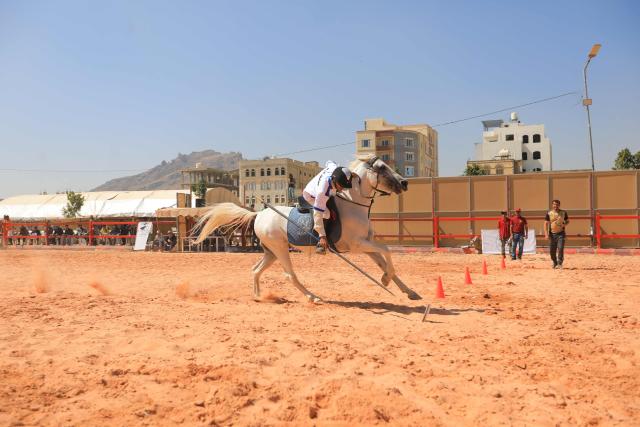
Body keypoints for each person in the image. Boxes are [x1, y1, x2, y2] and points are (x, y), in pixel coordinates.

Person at [302, 160, 353, 254]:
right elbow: (317, 214)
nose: (342, 189)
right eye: (341, 186)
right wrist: (322, 236)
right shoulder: (322, 192)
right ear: (334, 180)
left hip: (324, 190)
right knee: (327, 213)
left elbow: (329, 162)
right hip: (311, 196)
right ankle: (320, 243)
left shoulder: (334, 168)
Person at [545, 199, 569, 269]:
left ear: (559, 205)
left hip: (561, 233)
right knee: (552, 250)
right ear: (552, 205)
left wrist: (565, 224)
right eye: (554, 204)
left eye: (557, 204)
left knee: (560, 248)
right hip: (552, 234)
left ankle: (560, 263)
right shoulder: (549, 213)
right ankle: (554, 262)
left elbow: (567, 221)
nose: (556, 206)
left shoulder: (563, 212)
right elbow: (545, 223)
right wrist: (546, 234)